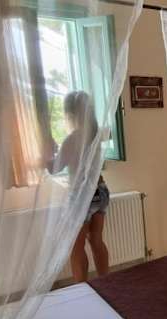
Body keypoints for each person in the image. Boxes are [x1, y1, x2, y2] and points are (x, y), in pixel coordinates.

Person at [46, 91, 110, 282]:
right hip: (100, 191)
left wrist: (45, 154)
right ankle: (106, 282)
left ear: (71, 114)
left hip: (82, 195)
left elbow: (54, 168)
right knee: (96, 240)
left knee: (76, 246)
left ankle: (81, 289)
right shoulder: (96, 135)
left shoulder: (72, 139)